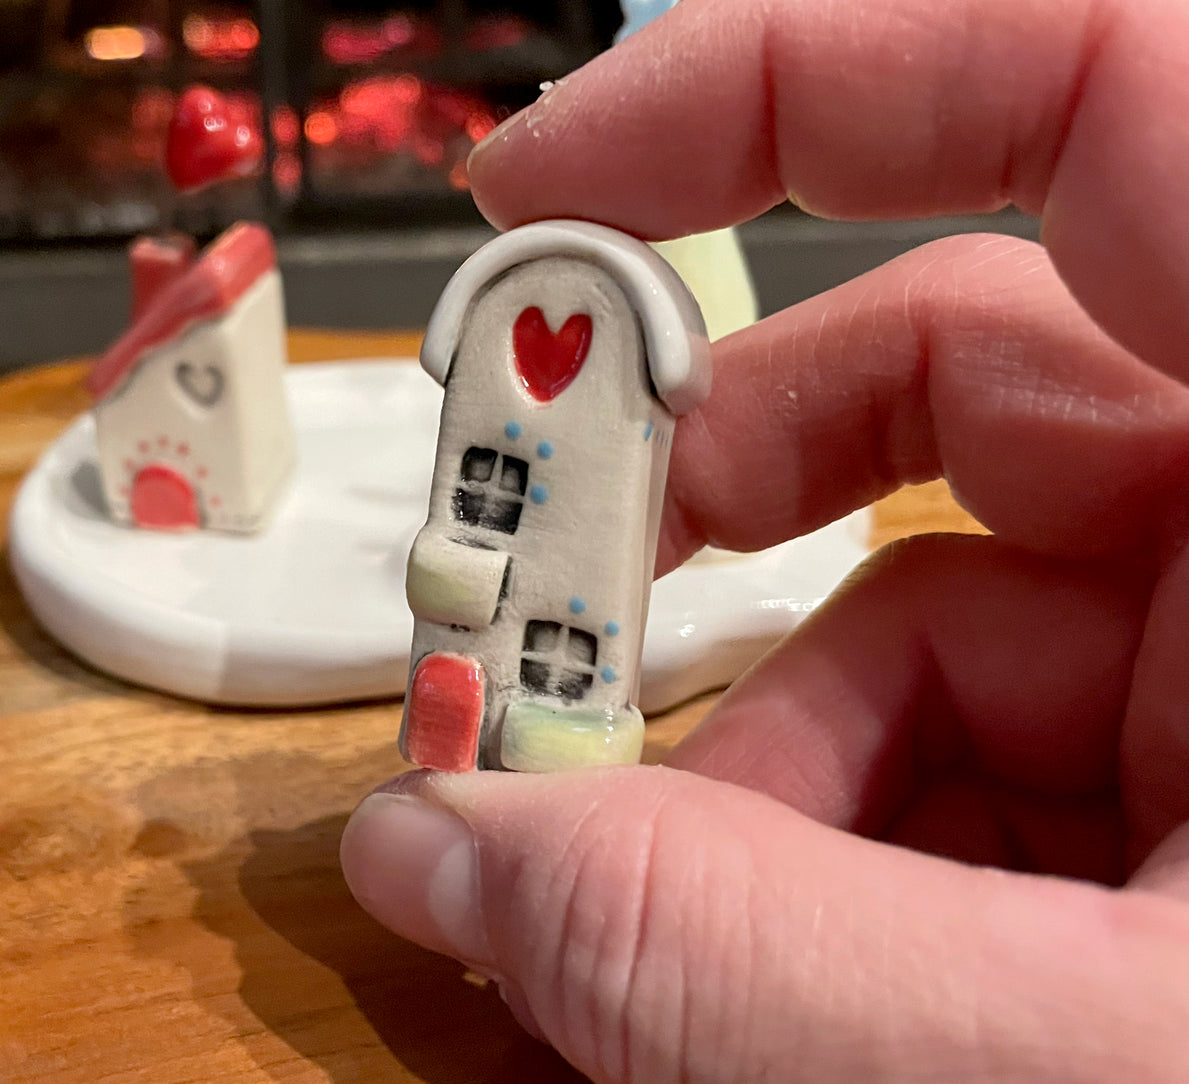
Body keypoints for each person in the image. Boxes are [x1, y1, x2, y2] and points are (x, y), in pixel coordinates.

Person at [340, 0, 1189, 1078]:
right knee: (475, 698)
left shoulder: (625, 365)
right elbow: (468, 514)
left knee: (548, 696)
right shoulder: (516, 345)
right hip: (483, 641)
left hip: (562, 675)